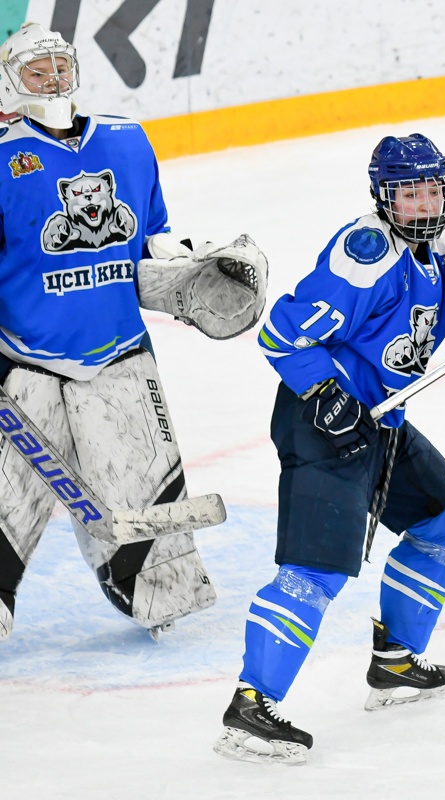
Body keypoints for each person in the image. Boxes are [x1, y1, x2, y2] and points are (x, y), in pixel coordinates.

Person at [213, 133, 445, 766]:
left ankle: (394, 662)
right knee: (316, 571)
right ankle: (251, 706)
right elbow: (282, 336)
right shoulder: (365, 258)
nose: (422, 206)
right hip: (323, 422)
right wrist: (326, 394)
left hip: (381, 425)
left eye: (431, 191)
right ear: (383, 197)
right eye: (408, 194)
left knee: (444, 520)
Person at [0, 23, 266, 642]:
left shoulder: (127, 140)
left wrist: (192, 274)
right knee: (9, 491)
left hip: (121, 354)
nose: (52, 80)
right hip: (25, 361)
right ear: (12, 82)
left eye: (59, 67)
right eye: (36, 72)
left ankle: (159, 588)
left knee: (144, 481)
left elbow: (151, 242)